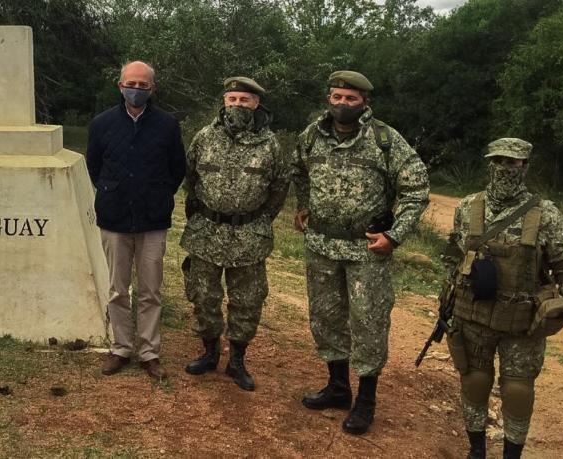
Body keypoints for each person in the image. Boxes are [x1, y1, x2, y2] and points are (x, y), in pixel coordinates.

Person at [292, 70, 429, 434]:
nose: (342, 104)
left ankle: (366, 399)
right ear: (328, 99)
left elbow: (417, 190)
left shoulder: (385, 139)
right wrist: (303, 205)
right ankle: (338, 388)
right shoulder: (312, 135)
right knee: (326, 317)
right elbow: (299, 171)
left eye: (350, 98)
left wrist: (395, 235)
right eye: (336, 97)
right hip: (321, 245)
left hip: (367, 250)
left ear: (364, 102)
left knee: (368, 322)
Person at [443, 138, 563, 459]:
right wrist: (444, 304)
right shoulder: (468, 207)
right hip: (472, 316)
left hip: (522, 323)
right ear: (489, 163)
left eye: (513, 162)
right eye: (499, 161)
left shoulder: (546, 215)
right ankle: (476, 450)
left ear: (525, 166)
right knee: (474, 382)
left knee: (517, 390)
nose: (505, 168)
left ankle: (511, 455)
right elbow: (452, 258)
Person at [180, 77, 288, 391]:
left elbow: (279, 188)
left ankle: (237, 360)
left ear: (256, 104)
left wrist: (259, 219)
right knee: (204, 296)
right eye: (232, 99)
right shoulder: (204, 137)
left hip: (249, 235)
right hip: (206, 232)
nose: (237, 105)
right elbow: (190, 177)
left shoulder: (269, 144)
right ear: (224, 102)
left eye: (244, 100)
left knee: (247, 300)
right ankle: (210, 352)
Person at [86, 61, 185, 380]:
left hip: (152, 220)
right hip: (114, 219)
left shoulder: (168, 125)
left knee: (150, 290)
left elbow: (177, 169)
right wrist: (113, 190)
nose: (137, 90)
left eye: (143, 85)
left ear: (152, 89)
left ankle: (149, 352)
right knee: (117, 289)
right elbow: (94, 166)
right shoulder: (101, 124)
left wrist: (155, 193)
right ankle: (121, 348)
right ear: (120, 86)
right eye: (131, 84)